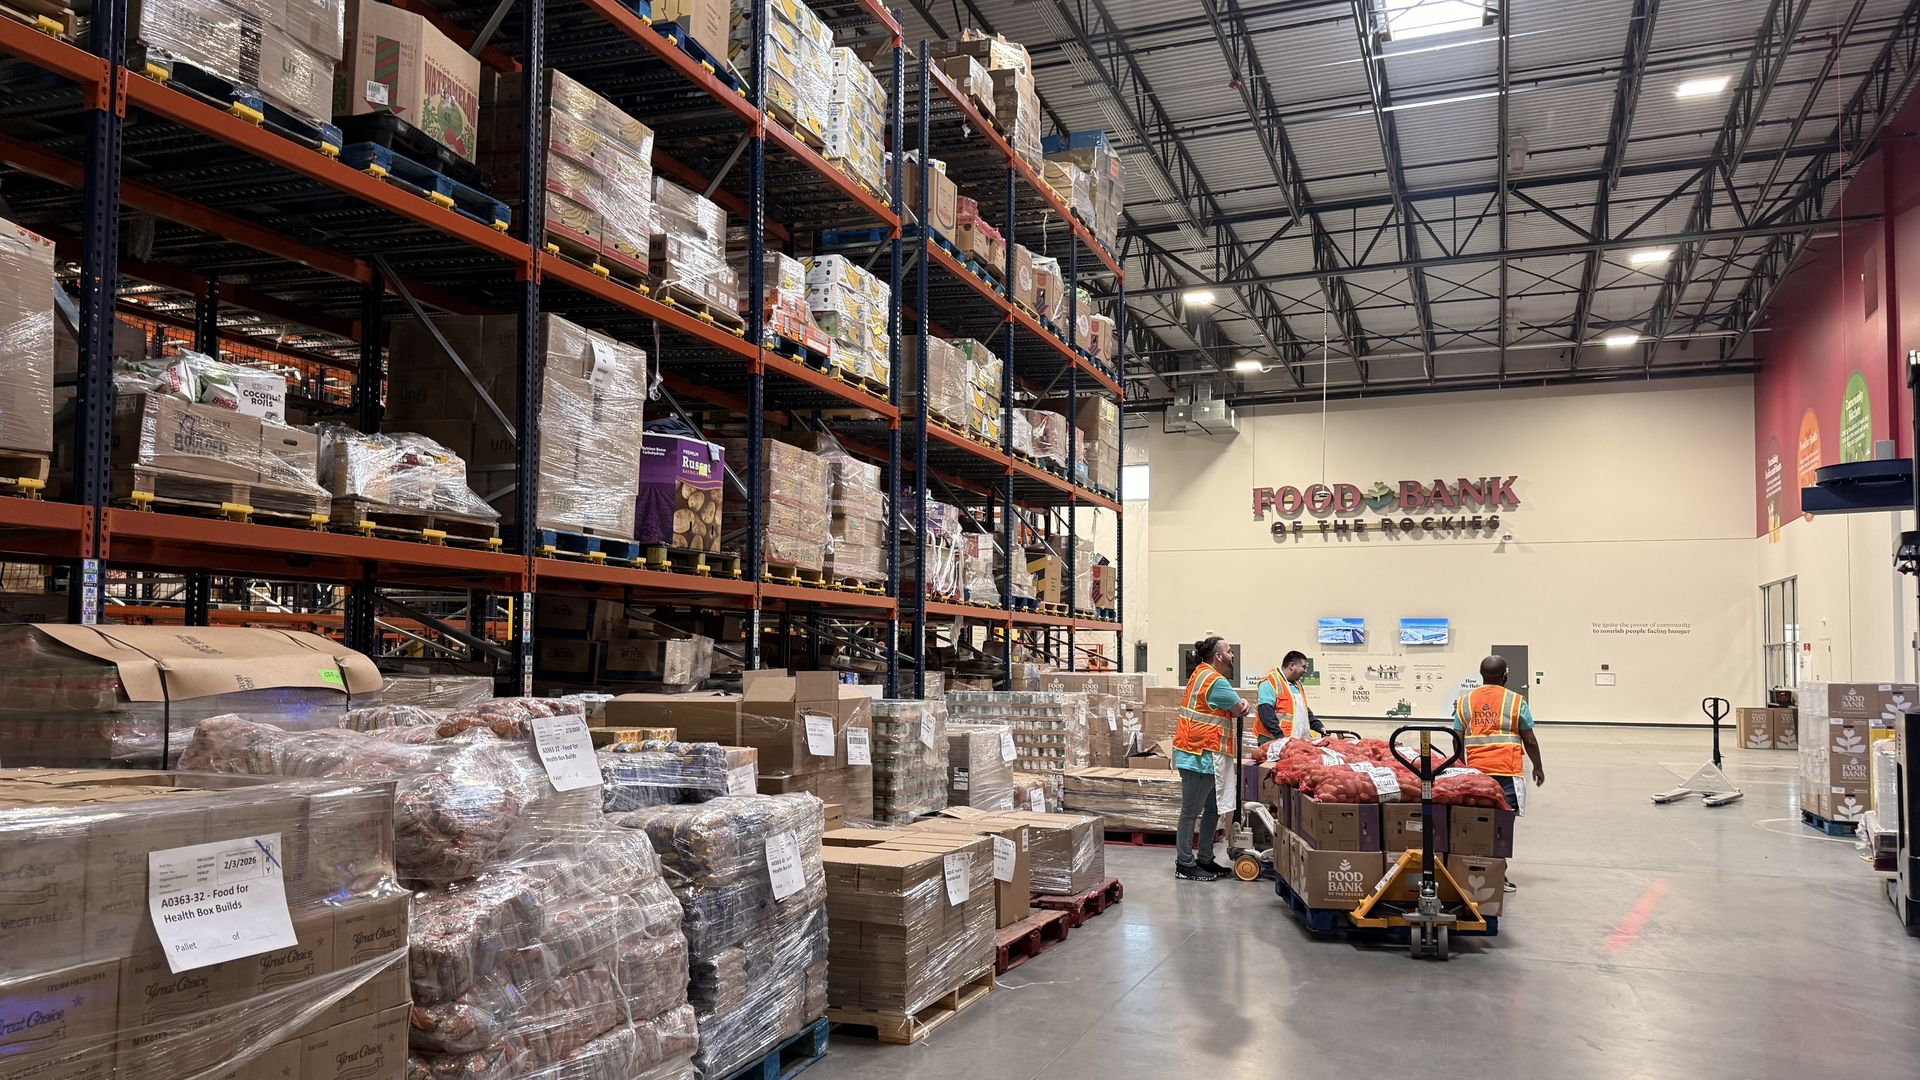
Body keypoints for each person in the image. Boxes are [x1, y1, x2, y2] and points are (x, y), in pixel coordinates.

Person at [1451, 655, 1545, 892]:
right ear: (1505, 676)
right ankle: (1497, 875)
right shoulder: (1515, 701)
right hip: (1506, 773)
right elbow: (1530, 740)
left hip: (1475, 774)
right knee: (1501, 826)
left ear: (1481, 675)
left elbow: (1457, 740)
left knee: (1477, 825)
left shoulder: (1464, 702)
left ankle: (1470, 871)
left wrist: (1461, 769)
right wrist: (1538, 766)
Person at [1173, 636, 1248, 881]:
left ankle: (1205, 858)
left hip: (1206, 754)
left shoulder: (1200, 674)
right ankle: (1184, 863)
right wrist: (1243, 704)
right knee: (1191, 812)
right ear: (1218, 656)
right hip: (1199, 754)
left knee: (1213, 809)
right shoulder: (1216, 681)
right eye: (1229, 651)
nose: (1232, 655)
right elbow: (1238, 708)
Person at [1256, 650, 1326, 744]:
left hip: (1294, 742)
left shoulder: (1297, 685)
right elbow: (1266, 713)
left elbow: (1304, 711)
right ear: (1292, 665)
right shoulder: (1270, 682)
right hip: (1274, 742)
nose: (1305, 671)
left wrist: (1319, 726)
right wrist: (1280, 737)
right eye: (1303, 667)